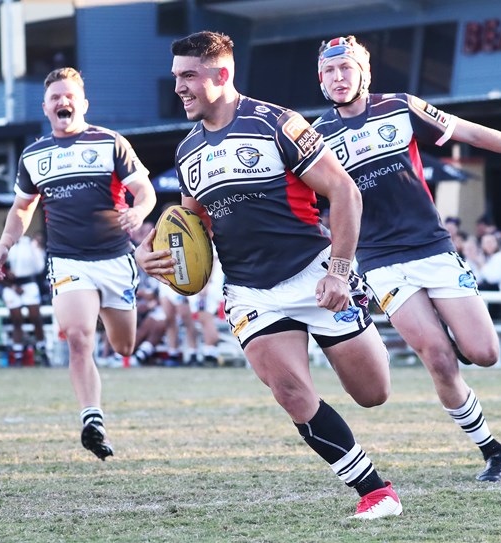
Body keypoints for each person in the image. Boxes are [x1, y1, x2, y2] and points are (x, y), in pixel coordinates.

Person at [136, 31, 401, 519]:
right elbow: (192, 227)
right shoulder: (187, 151)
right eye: (176, 77)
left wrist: (340, 272)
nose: (179, 88)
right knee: (291, 393)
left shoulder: (277, 123)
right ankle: (375, 491)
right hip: (250, 292)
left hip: (316, 275)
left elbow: (345, 192)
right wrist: (154, 255)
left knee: (373, 393)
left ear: (221, 74)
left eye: (188, 76)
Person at [312, 35, 501, 482]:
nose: (338, 77)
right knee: (437, 359)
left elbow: (472, 132)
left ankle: (453, 335)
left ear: (365, 72)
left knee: (485, 353)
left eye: (346, 68)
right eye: (329, 71)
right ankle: (493, 451)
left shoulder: (399, 107)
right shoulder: (315, 137)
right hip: (380, 262)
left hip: (432, 247)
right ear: (321, 79)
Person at [0, 67, 156, 460]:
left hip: (115, 259)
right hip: (67, 261)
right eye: (55, 98)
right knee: (78, 337)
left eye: (69, 96)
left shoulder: (110, 142)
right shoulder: (34, 155)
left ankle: (110, 325)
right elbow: (21, 208)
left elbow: (144, 189)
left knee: (124, 345)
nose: (62, 102)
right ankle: (92, 419)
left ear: (83, 104)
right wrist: (4, 245)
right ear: (45, 107)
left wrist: (139, 210)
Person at [0, 235, 47, 365]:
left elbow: (39, 267)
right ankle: (18, 355)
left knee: (35, 317)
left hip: (28, 283)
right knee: (16, 320)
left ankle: (42, 350)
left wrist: (37, 247)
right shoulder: (2, 244)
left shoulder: (30, 243)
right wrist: (12, 284)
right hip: (11, 286)